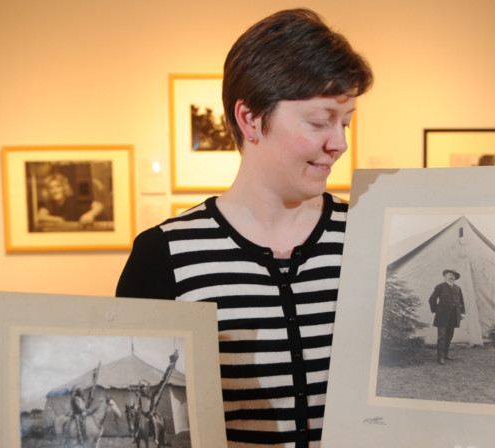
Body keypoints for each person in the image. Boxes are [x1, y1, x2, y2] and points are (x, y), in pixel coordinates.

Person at [116, 8, 372, 447]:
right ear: (251, 119)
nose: (340, 143)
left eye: (345, 121)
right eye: (319, 121)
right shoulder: (164, 254)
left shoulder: (367, 234)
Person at [37, 171, 105, 226]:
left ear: (64, 187)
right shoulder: (50, 204)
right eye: (51, 188)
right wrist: (58, 219)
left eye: (58, 186)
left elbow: (99, 205)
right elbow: (40, 217)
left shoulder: (73, 200)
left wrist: (90, 214)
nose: (55, 190)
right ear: (48, 191)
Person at [429, 269, 466, 365]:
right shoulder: (440, 287)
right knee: (442, 337)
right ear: (445, 276)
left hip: (454, 316)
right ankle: (440, 357)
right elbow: (432, 300)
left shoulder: (458, 288)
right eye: (449, 274)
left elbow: (461, 302)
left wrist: (462, 313)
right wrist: (435, 311)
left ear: (455, 278)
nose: (451, 276)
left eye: (453, 275)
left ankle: (446, 355)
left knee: (449, 336)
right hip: (442, 316)